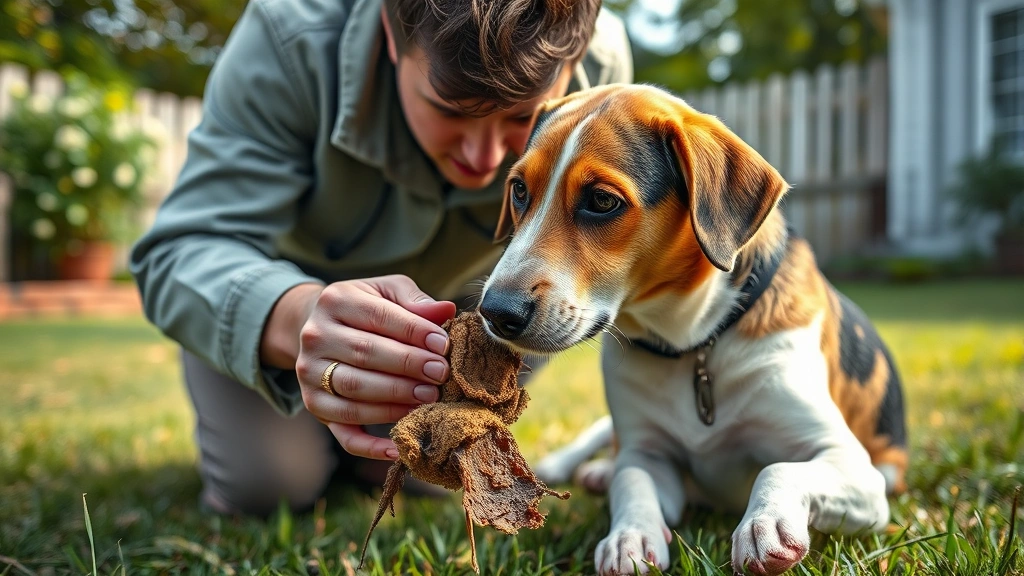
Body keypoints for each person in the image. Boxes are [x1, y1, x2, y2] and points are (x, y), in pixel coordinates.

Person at [130, 0, 633, 517]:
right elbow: (182, 249)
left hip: (464, 317)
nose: (485, 160)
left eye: (523, 117)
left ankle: (374, 449)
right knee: (271, 486)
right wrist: (296, 314)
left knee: (434, 471)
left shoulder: (601, 63)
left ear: (574, 68)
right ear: (394, 42)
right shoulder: (288, 38)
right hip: (281, 311)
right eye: (450, 110)